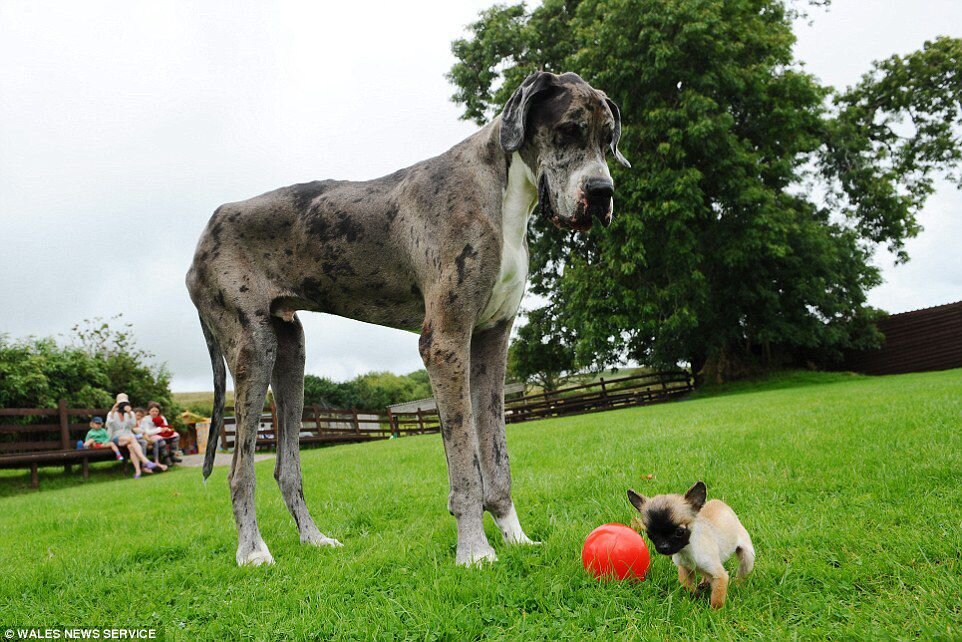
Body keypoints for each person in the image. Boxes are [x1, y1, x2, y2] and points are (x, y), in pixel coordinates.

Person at [106, 393, 166, 478]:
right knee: (132, 438)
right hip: (116, 437)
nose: (123, 406)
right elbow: (109, 425)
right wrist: (112, 411)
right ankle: (145, 461)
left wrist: (130, 413)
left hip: (129, 436)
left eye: (125, 403)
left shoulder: (130, 413)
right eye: (121, 403)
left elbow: (132, 425)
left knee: (131, 446)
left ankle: (138, 472)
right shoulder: (111, 413)